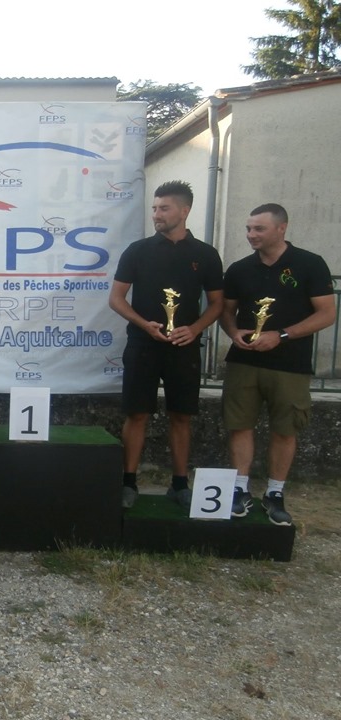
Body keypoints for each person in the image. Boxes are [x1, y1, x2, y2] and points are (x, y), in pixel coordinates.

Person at [108, 180, 224, 509]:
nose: (157, 214)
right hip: (143, 345)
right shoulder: (138, 251)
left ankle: (179, 484)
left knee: (181, 416)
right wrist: (143, 324)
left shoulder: (205, 255)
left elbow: (217, 304)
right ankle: (128, 482)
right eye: (154, 208)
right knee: (137, 413)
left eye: (164, 208)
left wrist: (195, 329)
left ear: (184, 211)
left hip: (184, 348)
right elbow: (116, 299)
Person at [220, 203, 336, 526]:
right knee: (239, 424)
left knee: (285, 429)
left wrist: (281, 335)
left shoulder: (310, 264)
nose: (251, 235)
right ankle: (239, 489)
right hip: (244, 362)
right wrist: (233, 332)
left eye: (259, 229)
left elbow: (327, 314)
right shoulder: (240, 269)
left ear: (281, 228)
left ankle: (274, 493)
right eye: (248, 228)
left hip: (290, 364)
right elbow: (226, 312)